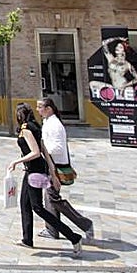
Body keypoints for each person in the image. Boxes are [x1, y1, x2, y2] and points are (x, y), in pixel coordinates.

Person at [8, 102, 82, 256]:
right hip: (33, 169)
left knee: (38, 207)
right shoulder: (35, 126)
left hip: (34, 171)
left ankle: (74, 237)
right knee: (24, 204)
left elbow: (36, 152)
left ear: (19, 115)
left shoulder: (27, 129)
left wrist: (16, 162)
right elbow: (44, 151)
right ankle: (27, 239)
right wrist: (52, 172)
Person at [37, 97, 95, 243]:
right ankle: (52, 229)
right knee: (49, 199)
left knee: (53, 199)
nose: (38, 110)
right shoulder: (48, 122)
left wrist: (41, 149)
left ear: (48, 108)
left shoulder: (54, 125)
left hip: (55, 166)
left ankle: (85, 224)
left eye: (40, 107)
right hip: (51, 164)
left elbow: (58, 148)